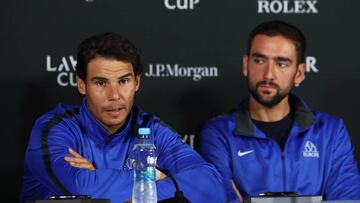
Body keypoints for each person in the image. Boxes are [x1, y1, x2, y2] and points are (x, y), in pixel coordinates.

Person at [20, 32, 226, 203]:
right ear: (81, 84)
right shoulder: (56, 129)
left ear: (136, 82)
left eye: (124, 81)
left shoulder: (151, 130)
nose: (115, 95)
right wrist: (156, 177)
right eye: (101, 83)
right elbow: (78, 185)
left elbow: (212, 186)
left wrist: (104, 182)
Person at [197, 20, 360, 202]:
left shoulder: (331, 131)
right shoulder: (218, 134)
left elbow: (347, 199)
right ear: (246, 64)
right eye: (259, 60)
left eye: (281, 64)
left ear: (299, 73)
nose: (268, 74)